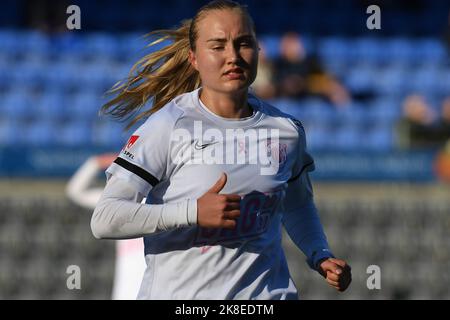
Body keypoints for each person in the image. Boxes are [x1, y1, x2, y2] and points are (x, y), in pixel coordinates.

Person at [91, 0, 351, 299]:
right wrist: (192, 212)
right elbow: (105, 219)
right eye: (218, 46)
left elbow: (297, 203)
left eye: (244, 44)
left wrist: (319, 253)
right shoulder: (168, 126)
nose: (233, 57)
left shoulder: (287, 130)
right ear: (194, 58)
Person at [66, 153, 147, 300]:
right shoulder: (119, 201)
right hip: (125, 293)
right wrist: (95, 163)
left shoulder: (165, 199)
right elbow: (75, 191)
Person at [274, 32, 350, 106]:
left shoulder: (311, 62)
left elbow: (325, 81)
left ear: (298, 45)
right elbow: (276, 85)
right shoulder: (278, 64)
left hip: (312, 98)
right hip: (288, 102)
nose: (284, 48)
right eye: (283, 45)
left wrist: (304, 83)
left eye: (289, 45)